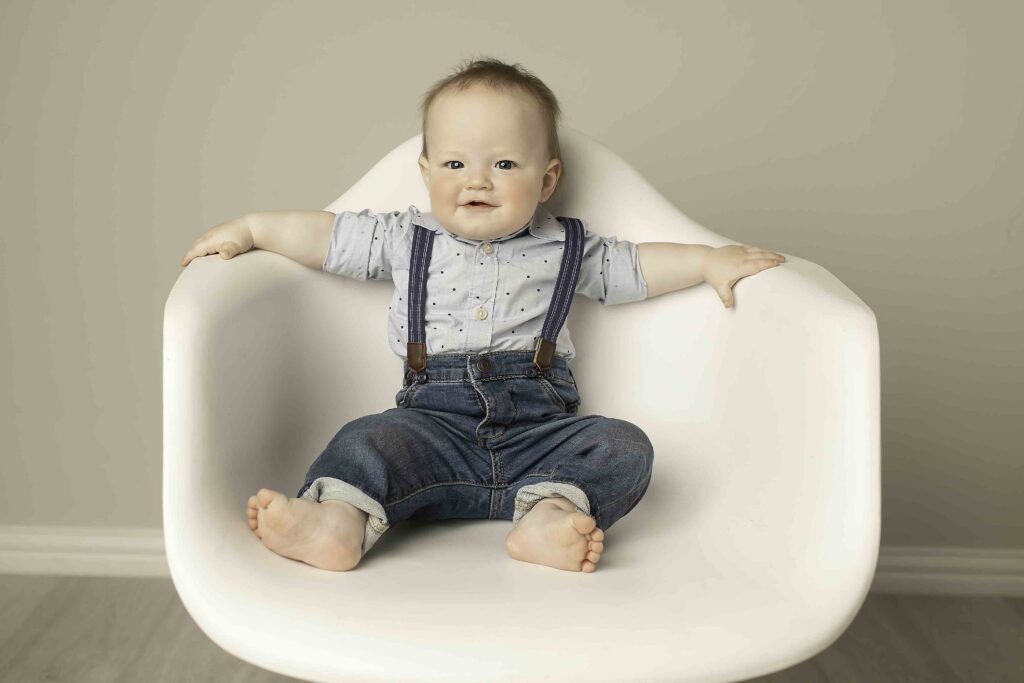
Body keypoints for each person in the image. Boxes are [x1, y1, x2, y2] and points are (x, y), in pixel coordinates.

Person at [179, 57, 786, 574]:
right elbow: (326, 235)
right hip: (433, 436)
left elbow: (636, 267)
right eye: (454, 165)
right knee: (366, 438)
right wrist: (253, 228)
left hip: (538, 440)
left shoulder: (567, 246)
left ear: (546, 180)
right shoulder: (404, 239)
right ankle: (338, 525)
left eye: (503, 165)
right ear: (425, 174)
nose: (478, 181)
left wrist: (707, 261)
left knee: (623, 445)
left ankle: (550, 518)